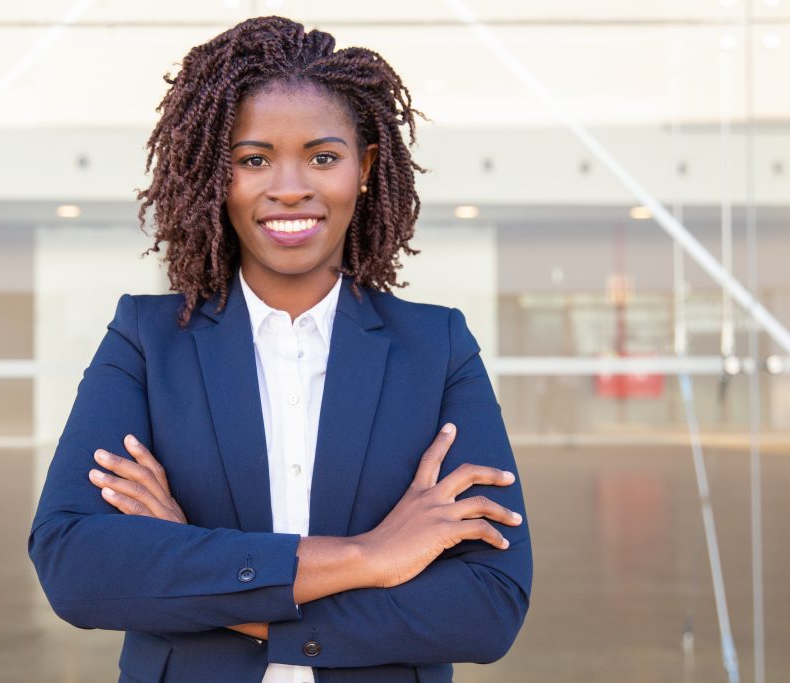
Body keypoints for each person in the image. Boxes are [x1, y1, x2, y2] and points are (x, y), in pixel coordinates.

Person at [28, 16, 532, 683]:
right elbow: (75, 565)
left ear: (364, 167)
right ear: (218, 173)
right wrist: (371, 556)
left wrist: (188, 563)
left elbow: (487, 607)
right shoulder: (147, 342)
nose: (289, 186)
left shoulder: (436, 348)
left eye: (323, 157)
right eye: (253, 158)